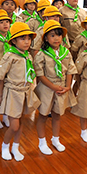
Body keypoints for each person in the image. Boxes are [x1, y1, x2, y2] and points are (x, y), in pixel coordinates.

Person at [34, 20, 77, 155]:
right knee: (43, 115)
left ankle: (55, 139)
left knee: (57, 115)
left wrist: (68, 86)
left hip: (62, 87)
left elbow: (70, 69)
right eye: (52, 35)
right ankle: (42, 142)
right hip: (47, 88)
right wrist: (53, 86)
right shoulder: (42, 54)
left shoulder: (66, 53)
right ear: (46, 38)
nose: (56, 38)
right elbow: (40, 74)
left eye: (58, 35)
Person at [0, 22, 41, 161]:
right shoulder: (9, 56)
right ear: (14, 40)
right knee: (14, 125)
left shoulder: (28, 56)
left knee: (21, 123)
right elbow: (1, 76)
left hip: (25, 92)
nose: (27, 42)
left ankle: (15, 147)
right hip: (12, 92)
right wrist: (0, 95)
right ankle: (5, 146)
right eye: (22, 38)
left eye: (29, 38)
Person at [0, 10, 12, 129]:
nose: (5, 24)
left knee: (7, 94)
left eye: (7, 22)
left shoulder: (12, 37)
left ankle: (5, 116)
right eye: (1, 22)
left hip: (10, 70)